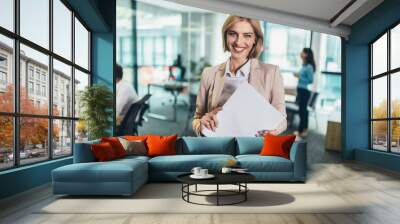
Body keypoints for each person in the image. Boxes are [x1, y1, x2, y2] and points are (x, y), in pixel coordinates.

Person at [192, 15, 287, 136]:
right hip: (216, 147)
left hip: (252, 148)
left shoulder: (271, 73)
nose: (238, 42)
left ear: (255, 40)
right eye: (233, 34)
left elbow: (282, 119)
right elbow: (197, 118)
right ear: (225, 36)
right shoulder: (209, 74)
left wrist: (272, 132)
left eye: (247, 35)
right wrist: (201, 124)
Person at [293, 48, 315, 138]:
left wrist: (299, 77)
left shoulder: (309, 66)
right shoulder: (304, 65)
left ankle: (301, 131)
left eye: (303, 52)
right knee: (302, 111)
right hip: (300, 90)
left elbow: (310, 80)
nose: (301, 53)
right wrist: (298, 75)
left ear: (306, 55)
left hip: (304, 92)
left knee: (302, 111)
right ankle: (303, 130)